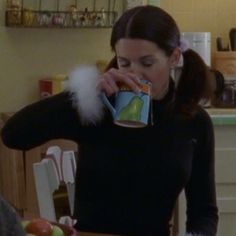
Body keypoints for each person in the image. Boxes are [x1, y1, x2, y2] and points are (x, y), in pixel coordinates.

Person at [1, 5, 219, 236]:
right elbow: (13, 135)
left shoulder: (194, 122)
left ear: (174, 57)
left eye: (147, 63)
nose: (135, 74)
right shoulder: (96, 108)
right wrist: (84, 94)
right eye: (124, 63)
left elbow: (204, 212)